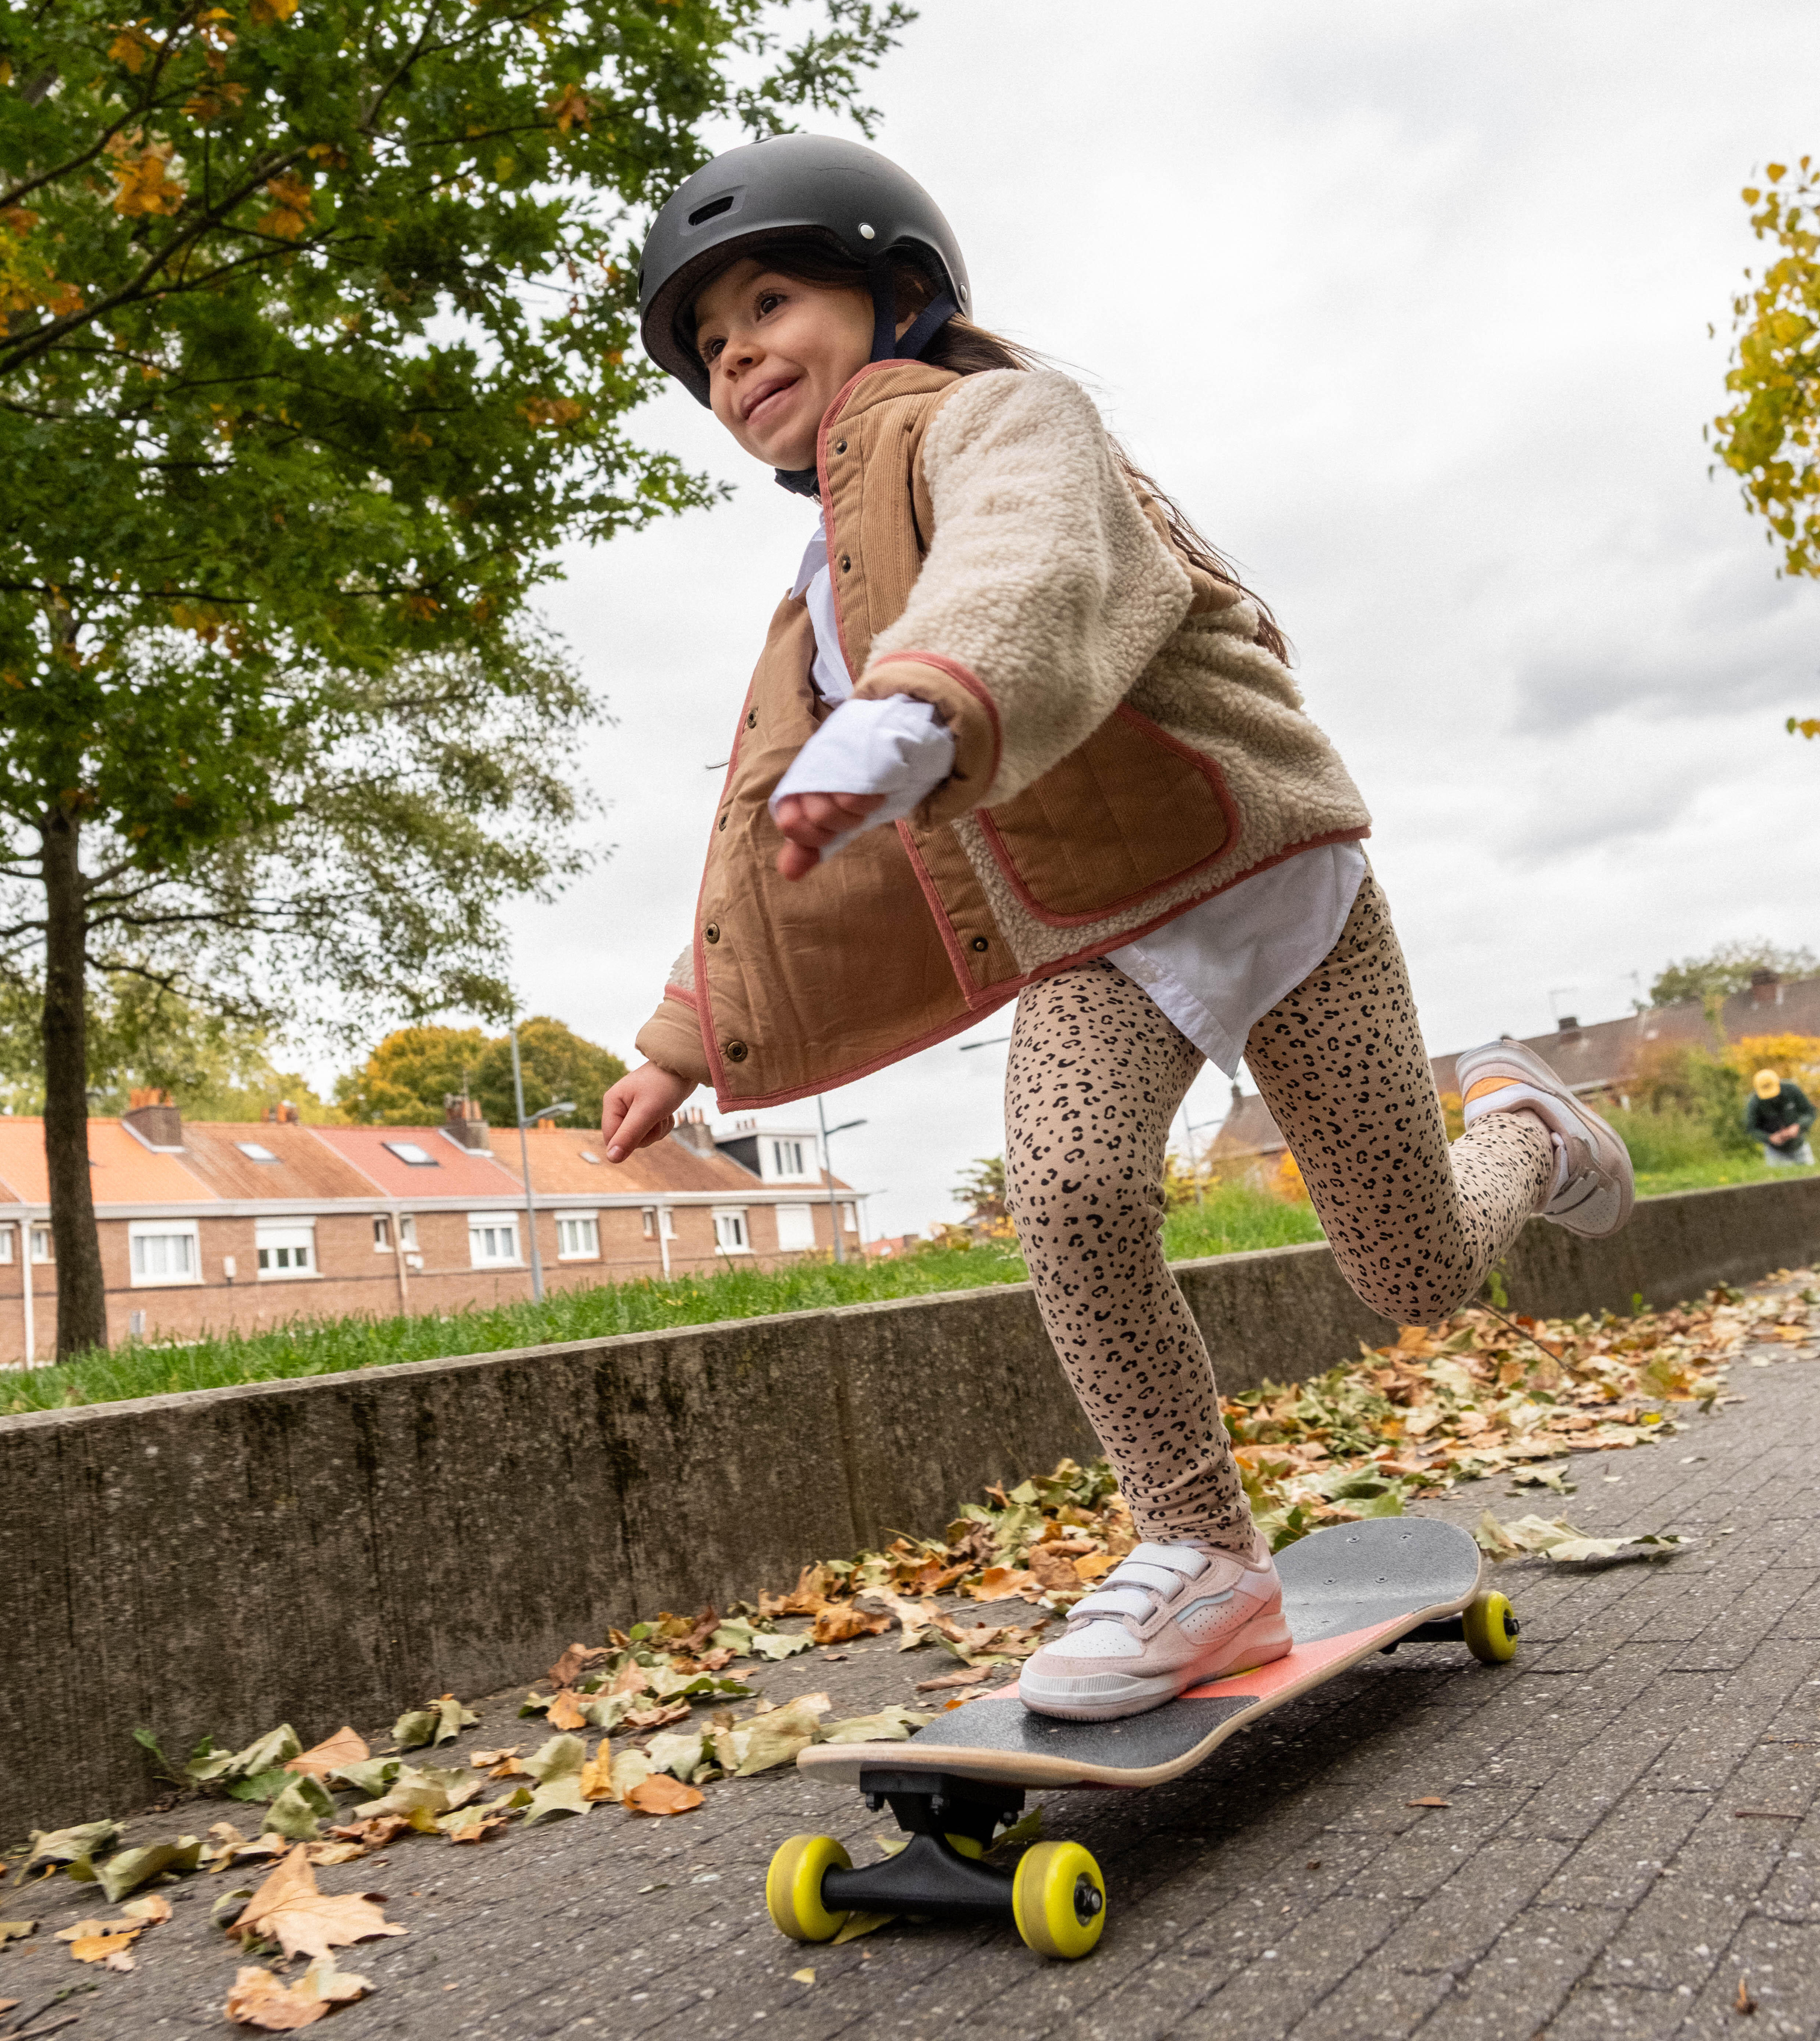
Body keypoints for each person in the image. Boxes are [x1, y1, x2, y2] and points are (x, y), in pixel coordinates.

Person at [597, 135, 1634, 1722]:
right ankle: (1203, 1557)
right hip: (1100, 936)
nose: (737, 352)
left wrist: (919, 705)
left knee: (1413, 1269)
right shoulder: (814, 599)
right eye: (710, 345)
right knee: (1071, 1193)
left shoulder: (1003, 418)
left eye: (772, 300)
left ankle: (1532, 1138)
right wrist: (685, 1038)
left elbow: (1027, 560)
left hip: (1280, 881)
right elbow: (758, 833)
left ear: (900, 294)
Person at [1747, 1067, 1816, 1166]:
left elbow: (1810, 1112)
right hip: (1775, 1152)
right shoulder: (1754, 1103)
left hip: (1800, 1147)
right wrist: (1769, 1138)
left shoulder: (1792, 1090)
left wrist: (1799, 1126)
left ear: (1778, 1082)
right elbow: (1751, 1129)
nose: (1771, 1097)